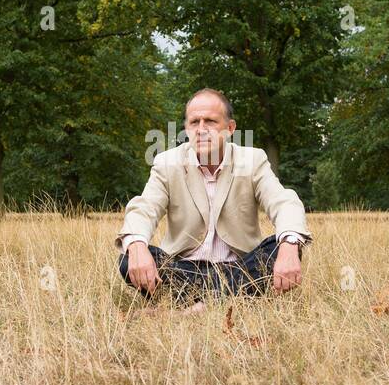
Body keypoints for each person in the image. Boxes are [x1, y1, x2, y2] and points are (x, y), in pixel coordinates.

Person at [117, 88, 311, 312]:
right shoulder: (166, 163)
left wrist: (288, 245)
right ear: (186, 129)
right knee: (127, 257)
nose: (201, 130)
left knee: (285, 246)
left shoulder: (252, 160)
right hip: (185, 271)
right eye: (194, 122)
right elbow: (144, 208)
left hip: (239, 268)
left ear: (230, 128)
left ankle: (189, 307)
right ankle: (220, 302)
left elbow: (283, 202)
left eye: (210, 121)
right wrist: (137, 246)